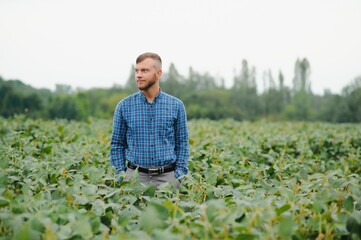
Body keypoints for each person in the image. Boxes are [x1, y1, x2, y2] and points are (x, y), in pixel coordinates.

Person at [110, 52, 189, 189]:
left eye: (144, 70)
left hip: (168, 178)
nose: (138, 75)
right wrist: (122, 175)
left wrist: (179, 176)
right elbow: (117, 144)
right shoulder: (124, 106)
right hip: (134, 178)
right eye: (137, 71)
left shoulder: (176, 106)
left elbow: (182, 143)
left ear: (158, 73)